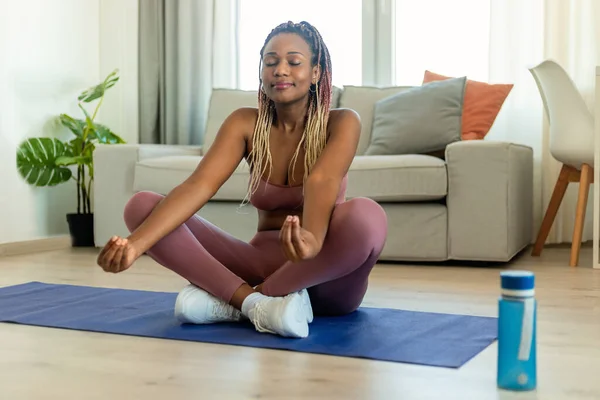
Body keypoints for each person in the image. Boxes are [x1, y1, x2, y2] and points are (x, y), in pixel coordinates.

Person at [96, 20, 388, 339]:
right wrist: (135, 246)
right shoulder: (245, 123)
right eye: (271, 61)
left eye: (294, 61)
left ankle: (245, 298)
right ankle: (251, 304)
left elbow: (322, 179)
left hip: (321, 274)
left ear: (316, 72)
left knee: (365, 216)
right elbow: (199, 186)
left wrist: (312, 240)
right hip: (256, 261)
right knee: (142, 207)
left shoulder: (342, 122)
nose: (280, 69)